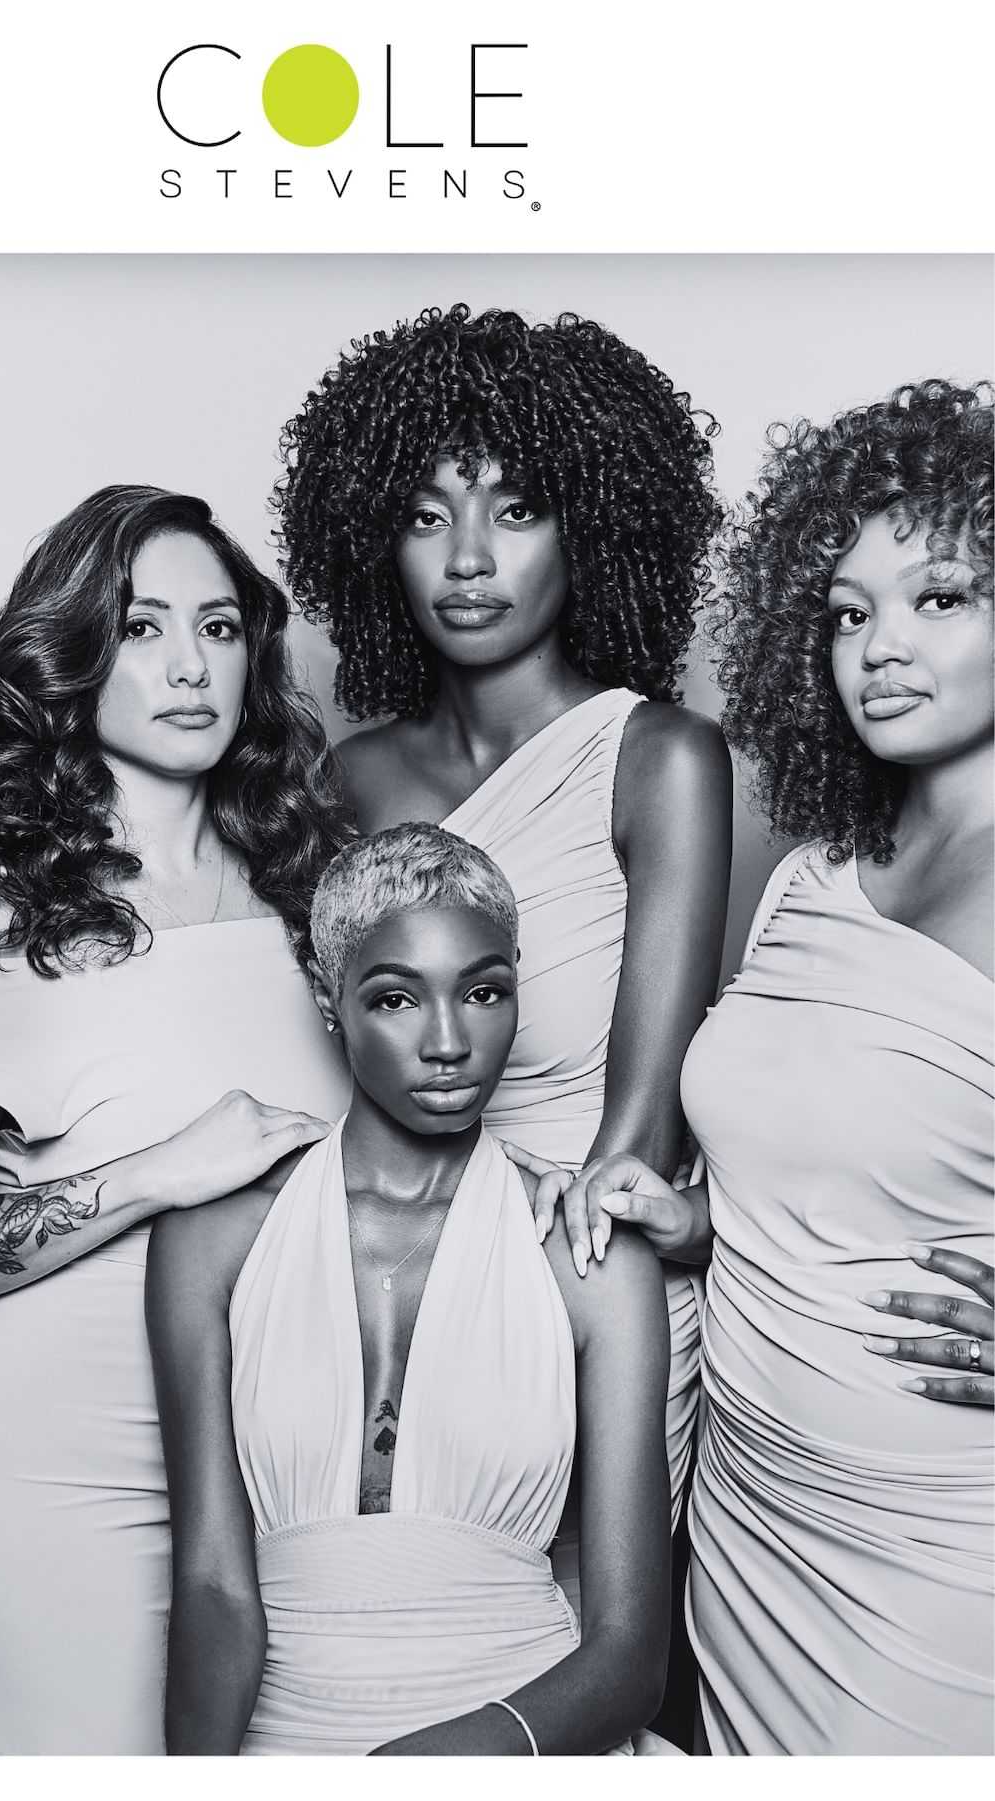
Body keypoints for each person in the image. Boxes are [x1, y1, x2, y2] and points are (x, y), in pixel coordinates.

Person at [0, 484, 353, 1753]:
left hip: (293, 1451)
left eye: (220, 628)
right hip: (65, 1463)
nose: (189, 666)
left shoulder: (313, 891)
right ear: (73, 656)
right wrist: (153, 1175)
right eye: (141, 627)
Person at [272, 305, 731, 1615]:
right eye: (425, 516)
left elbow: (633, 1141)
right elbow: (310, 1048)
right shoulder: (349, 779)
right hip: (378, 1284)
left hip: (593, 1276)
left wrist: (515, 1318)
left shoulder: (658, 761)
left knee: (594, 1666)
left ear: (590, 526)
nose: (468, 561)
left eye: (515, 510)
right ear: (375, 544)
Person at [574, 379, 994, 1754]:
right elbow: (817, 1161)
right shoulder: (810, 878)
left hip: (941, 1549)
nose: (879, 647)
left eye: (939, 598)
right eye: (847, 612)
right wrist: (694, 1222)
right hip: (752, 1520)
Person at [148, 825, 672, 1754]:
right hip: (287, 1744)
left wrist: (438, 1770)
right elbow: (214, 1594)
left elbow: (630, 1654)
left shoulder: (589, 1257)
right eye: (395, 998)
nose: (446, 1043)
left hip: (520, 1746)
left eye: (482, 993)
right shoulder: (213, 1238)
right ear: (328, 1001)